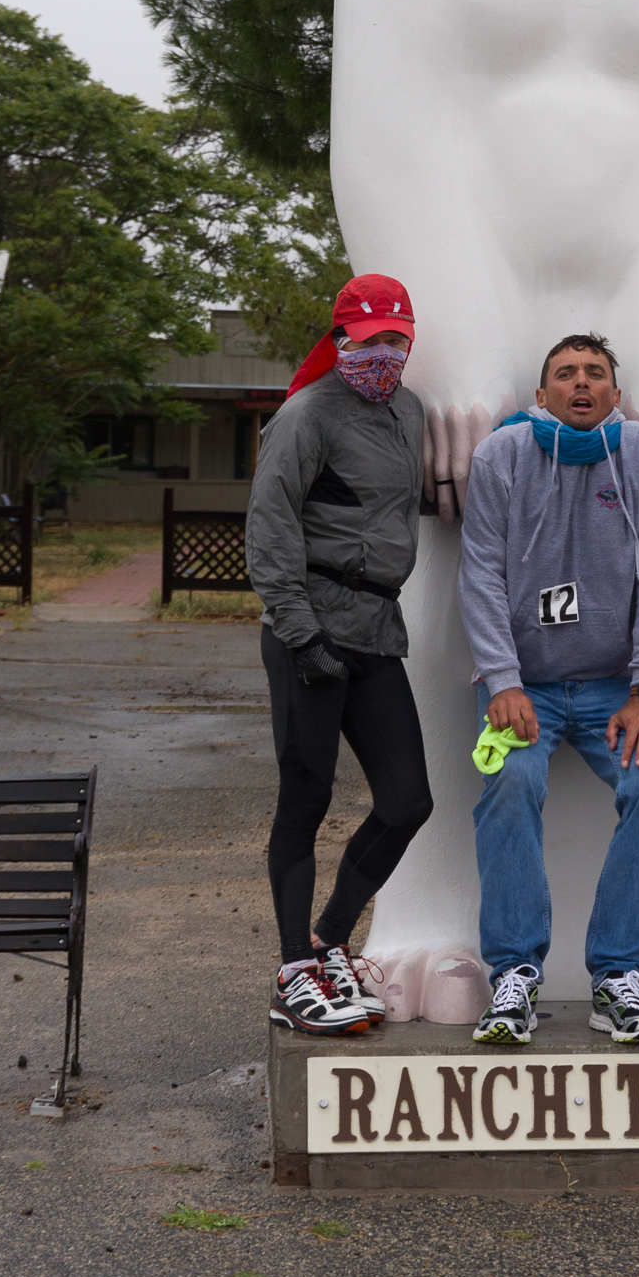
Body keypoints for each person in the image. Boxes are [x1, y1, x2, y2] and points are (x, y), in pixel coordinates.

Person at [457, 333, 639, 1046]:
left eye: (595, 374)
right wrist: (502, 679)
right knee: (508, 782)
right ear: (541, 395)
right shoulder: (501, 456)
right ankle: (514, 974)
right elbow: (480, 574)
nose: (580, 383)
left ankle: (619, 974)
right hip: (521, 688)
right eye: (565, 373)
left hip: (618, 689)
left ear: (616, 394)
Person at [247, 273, 433, 1037]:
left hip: (377, 630)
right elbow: (270, 523)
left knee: (407, 799)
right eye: (369, 339)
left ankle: (329, 938)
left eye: (397, 339)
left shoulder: (410, 412)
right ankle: (293, 968)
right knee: (307, 794)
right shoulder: (306, 413)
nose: (383, 354)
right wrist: (300, 632)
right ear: (341, 338)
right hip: (311, 626)